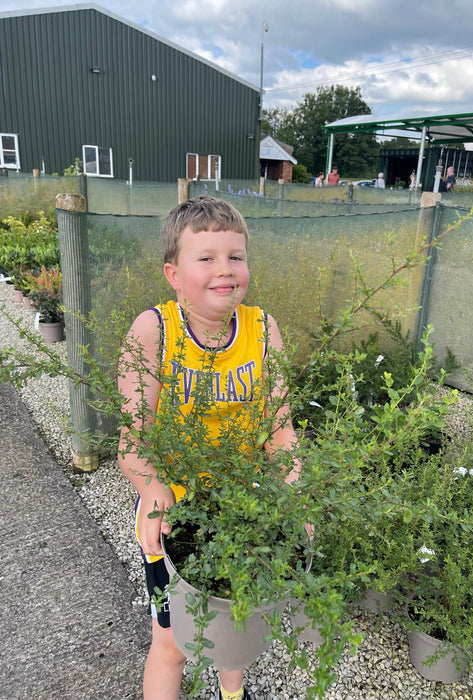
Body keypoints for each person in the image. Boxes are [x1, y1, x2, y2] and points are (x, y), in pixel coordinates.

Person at [118, 195, 303, 700]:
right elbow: (132, 442)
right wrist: (156, 494)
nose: (226, 270)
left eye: (236, 256)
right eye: (206, 258)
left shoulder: (264, 331)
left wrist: (295, 495)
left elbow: (280, 429)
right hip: (175, 514)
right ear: (173, 274)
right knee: (172, 642)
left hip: (244, 510)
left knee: (235, 629)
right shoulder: (153, 331)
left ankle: (232, 691)